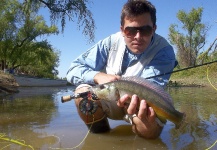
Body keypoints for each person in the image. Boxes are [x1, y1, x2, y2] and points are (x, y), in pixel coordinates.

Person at [66, 0, 177, 139]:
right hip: (111, 96)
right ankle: (102, 139)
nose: (138, 37)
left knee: (149, 130)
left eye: (146, 30)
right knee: (83, 95)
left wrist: (137, 105)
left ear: (154, 28)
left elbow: (153, 89)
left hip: (141, 103)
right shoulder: (109, 43)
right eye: (130, 30)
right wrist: (97, 76)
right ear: (122, 30)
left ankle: (157, 128)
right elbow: (73, 69)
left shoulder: (164, 51)